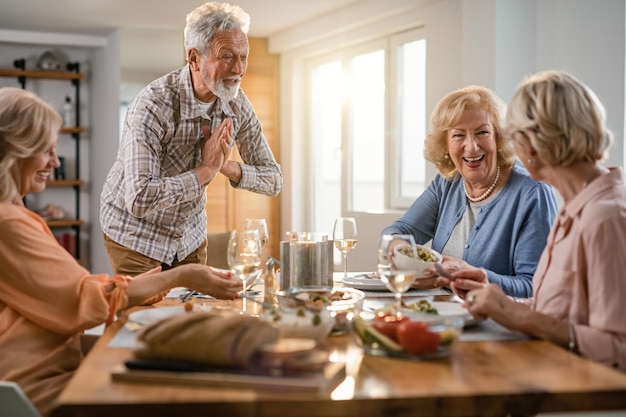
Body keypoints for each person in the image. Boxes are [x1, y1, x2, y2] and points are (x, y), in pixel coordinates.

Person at [0, 87, 242, 416]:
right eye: (46, 150)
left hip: (48, 374)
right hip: (41, 390)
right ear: (16, 151)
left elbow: (56, 304)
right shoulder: (8, 224)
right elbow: (82, 297)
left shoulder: (14, 216)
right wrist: (182, 275)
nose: (55, 162)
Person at [455, 70, 626, 371]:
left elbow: (619, 350)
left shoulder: (605, 217)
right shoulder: (574, 205)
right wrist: (502, 303)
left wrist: (522, 317)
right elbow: (563, 312)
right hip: (545, 372)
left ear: (531, 146)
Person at [100, 1, 282, 276]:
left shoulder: (238, 105)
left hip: (189, 238)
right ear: (194, 58)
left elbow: (273, 179)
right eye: (227, 56)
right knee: (149, 317)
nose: (239, 68)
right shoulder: (153, 104)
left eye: (243, 56)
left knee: (193, 315)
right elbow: (138, 199)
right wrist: (205, 170)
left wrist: (224, 166)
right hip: (135, 235)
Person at [381, 85, 558, 298]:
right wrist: (400, 248)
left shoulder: (533, 193)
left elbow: (534, 286)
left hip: (495, 324)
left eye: (482, 132)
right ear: (445, 144)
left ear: (498, 138)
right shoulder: (448, 182)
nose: (471, 146)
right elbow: (399, 230)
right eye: (458, 135)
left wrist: (476, 276)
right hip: (440, 313)